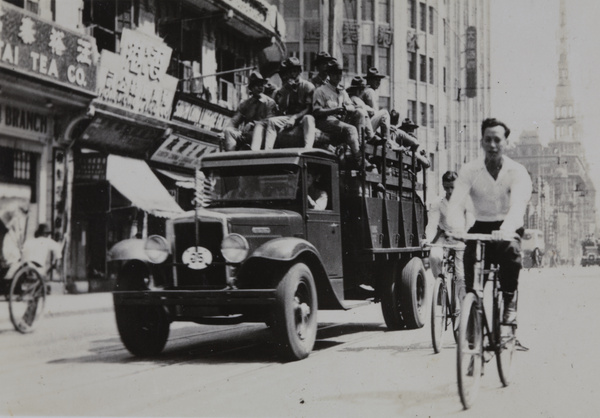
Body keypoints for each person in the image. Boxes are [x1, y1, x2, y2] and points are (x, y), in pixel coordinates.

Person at [447, 118, 532, 324]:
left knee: (511, 254)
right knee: (469, 258)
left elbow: (518, 205)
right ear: (481, 142)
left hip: (507, 225)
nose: (492, 145)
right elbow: (456, 203)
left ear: (506, 143)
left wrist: (506, 229)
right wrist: (457, 228)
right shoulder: (470, 170)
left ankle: (509, 302)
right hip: (481, 224)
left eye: (497, 140)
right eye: (488, 140)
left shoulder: (517, 171)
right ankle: (472, 311)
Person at [423, 171, 474, 305]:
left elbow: (470, 222)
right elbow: (432, 224)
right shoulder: (438, 203)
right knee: (434, 256)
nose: (450, 191)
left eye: (453, 187)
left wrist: (465, 236)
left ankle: (462, 304)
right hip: (443, 237)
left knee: (461, 275)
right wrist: (428, 240)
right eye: (446, 187)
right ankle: (440, 285)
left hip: (460, 238)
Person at [312, 61, 372, 170]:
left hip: (340, 122)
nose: (338, 76)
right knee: (351, 129)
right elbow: (316, 112)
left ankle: (359, 147)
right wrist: (333, 110)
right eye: (335, 73)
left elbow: (351, 106)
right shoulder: (321, 91)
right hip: (326, 122)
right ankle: (359, 159)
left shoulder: (342, 92)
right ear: (329, 75)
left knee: (360, 113)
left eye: (340, 73)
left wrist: (346, 108)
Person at [263, 57, 316, 149]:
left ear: (299, 71)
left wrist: (294, 117)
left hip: (303, 116)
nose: (292, 74)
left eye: (295, 71)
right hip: (289, 116)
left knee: (309, 118)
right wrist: (287, 91)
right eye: (290, 72)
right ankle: (268, 151)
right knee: (272, 122)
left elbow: (308, 108)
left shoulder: (308, 86)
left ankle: (308, 148)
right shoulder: (284, 88)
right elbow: (283, 108)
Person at [222, 71, 277, 151]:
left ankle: (251, 154)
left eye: (262, 85)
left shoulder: (270, 102)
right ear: (251, 88)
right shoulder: (245, 104)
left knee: (257, 132)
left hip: (261, 135)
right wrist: (223, 132)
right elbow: (234, 122)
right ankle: (232, 158)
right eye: (257, 85)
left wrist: (253, 124)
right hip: (246, 135)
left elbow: (270, 121)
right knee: (228, 131)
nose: (260, 88)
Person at [346, 76, 390, 144]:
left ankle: (373, 137)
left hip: (357, 128)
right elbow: (371, 111)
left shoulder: (350, 98)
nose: (363, 91)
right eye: (362, 89)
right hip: (361, 130)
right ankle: (387, 142)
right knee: (384, 113)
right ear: (358, 90)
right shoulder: (355, 99)